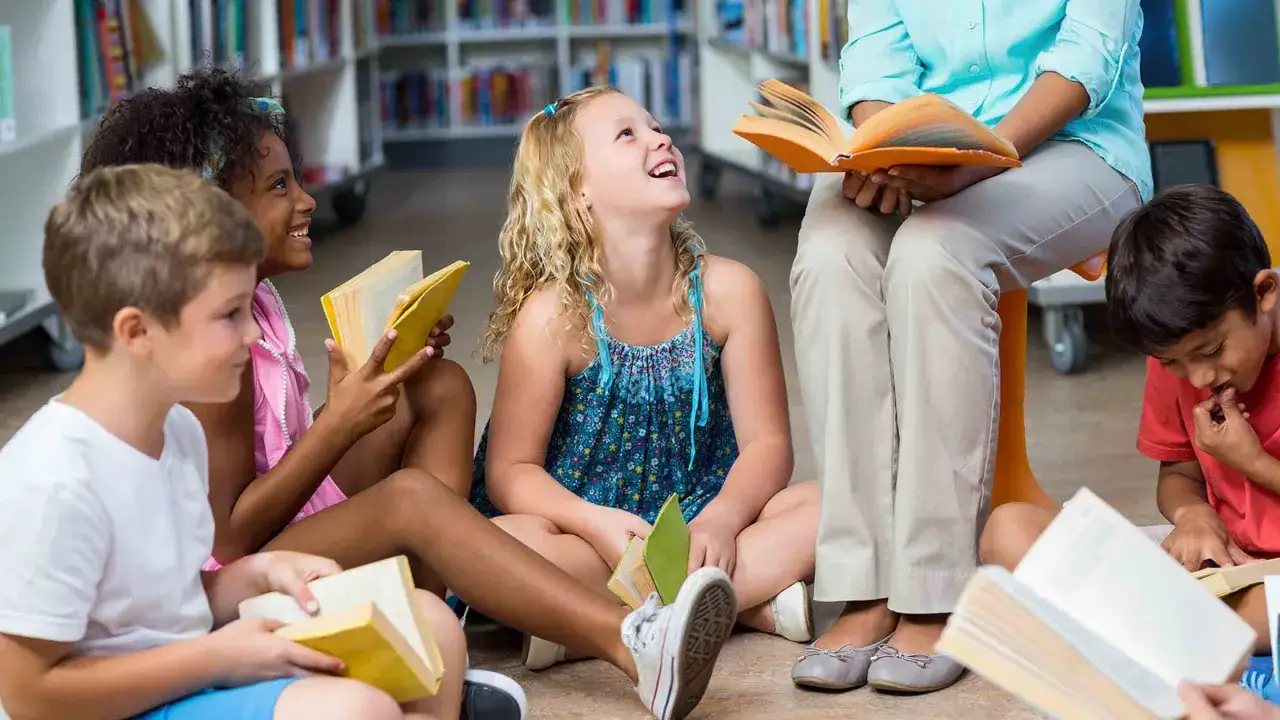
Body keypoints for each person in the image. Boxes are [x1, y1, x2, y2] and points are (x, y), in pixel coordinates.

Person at [77, 67, 739, 720]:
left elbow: (268, 460)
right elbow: (233, 537)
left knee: (435, 383)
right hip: (239, 574)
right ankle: (628, 645)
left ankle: (434, 604)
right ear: (212, 217)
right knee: (410, 502)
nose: (307, 202)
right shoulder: (216, 354)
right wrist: (338, 422)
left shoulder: (258, 305)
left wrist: (358, 386)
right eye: (280, 187)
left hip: (278, 522)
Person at [0, 164, 480, 720]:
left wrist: (254, 576)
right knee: (353, 709)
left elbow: (168, 606)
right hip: (122, 703)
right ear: (136, 333)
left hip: (188, 667)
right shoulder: (52, 479)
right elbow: (29, 694)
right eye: (229, 315)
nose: (253, 335)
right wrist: (214, 659)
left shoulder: (175, 432)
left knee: (431, 625)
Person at [788, 0, 1154, 695]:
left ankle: (934, 590)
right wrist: (884, 150)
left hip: (1075, 147)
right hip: (921, 151)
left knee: (938, 252)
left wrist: (982, 160)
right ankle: (864, 585)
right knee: (833, 252)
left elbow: (1088, 55)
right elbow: (874, 54)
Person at [469, 86, 820, 670]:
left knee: (837, 507)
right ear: (576, 191)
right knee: (499, 545)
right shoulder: (553, 317)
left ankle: (590, 623)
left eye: (657, 127)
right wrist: (594, 523)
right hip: (591, 537)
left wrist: (725, 519)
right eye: (627, 134)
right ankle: (735, 605)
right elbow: (511, 472)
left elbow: (768, 446)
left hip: (703, 525)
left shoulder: (731, 292)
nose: (661, 139)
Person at [980, 184, 1280, 656]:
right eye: (1174, 363)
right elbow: (1178, 474)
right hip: (1221, 572)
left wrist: (1253, 462)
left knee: (1258, 614)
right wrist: (1194, 514)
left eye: (1213, 350)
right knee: (1008, 531)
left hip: (1270, 592)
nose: (1199, 376)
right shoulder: (1175, 355)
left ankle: (1142, 636)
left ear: (1263, 293)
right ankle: (1176, 638)